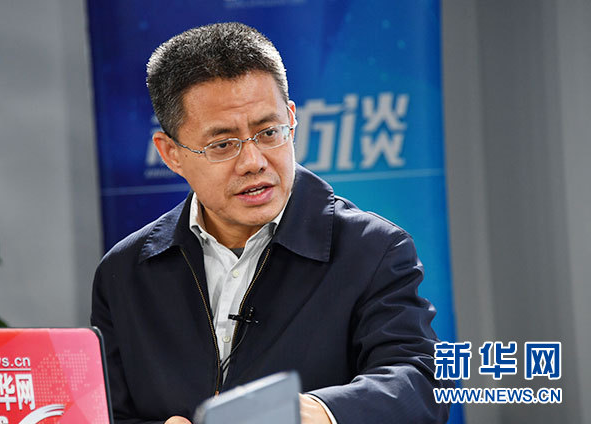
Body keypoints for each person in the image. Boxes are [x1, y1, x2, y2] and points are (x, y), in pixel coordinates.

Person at [91, 22, 451, 424]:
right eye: (223, 144)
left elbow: (421, 382)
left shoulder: (372, 249)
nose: (254, 162)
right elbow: (105, 412)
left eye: (269, 132)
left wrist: (323, 412)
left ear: (291, 119)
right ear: (171, 153)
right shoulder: (125, 271)